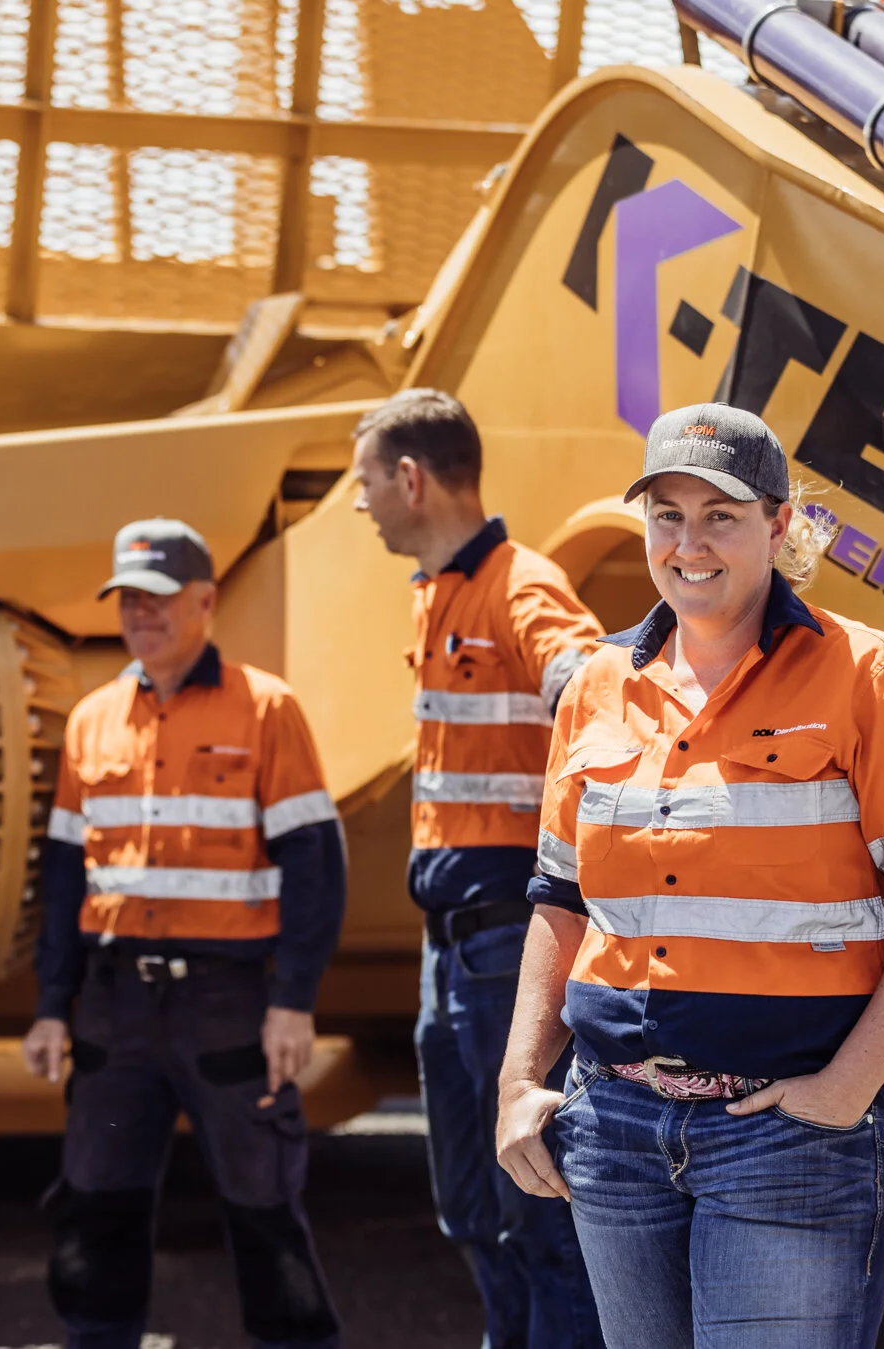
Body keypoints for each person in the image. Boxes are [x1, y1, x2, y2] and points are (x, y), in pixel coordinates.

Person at [495, 403, 884, 1349]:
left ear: (779, 525)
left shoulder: (880, 682)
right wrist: (520, 1078)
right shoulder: (596, 687)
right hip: (615, 1128)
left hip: (790, 1136)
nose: (688, 543)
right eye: (667, 515)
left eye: (720, 516)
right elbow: (562, 899)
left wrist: (847, 1087)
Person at [20, 518, 347, 1349]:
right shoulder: (91, 719)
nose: (142, 613)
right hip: (114, 1009)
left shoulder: (265, 707)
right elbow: (63, 877)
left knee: (264, 1207)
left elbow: (315, 862)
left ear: (205, 601)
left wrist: (293, 1000)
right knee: (97, 1206)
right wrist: (52, 1005)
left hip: (227, 1005)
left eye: (159, 597)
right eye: (128, 599)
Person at [348, 389, 605, 1349]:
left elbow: (586, 680)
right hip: (450, 946)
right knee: (467, 1202)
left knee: (538, 1203)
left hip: (504, 939)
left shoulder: (518, 584)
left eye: (366, 482)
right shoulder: (438, 591)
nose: (361, 502)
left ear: (411, 479)